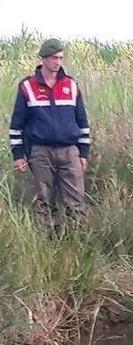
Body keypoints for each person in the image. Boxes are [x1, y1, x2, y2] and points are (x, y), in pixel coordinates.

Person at [8, 38, 91, 228]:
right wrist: (18, 155)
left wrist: (84, 153)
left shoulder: (71, 85)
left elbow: (83, 121)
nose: (58, 62)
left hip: (70, 151)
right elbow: (16, 124)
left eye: (61, 58)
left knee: (75, 200)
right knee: (44, 200)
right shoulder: (27, 86)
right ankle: (46, 244)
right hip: (40, 152)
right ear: (43, 59)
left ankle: (76, 243)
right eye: (54, 58)